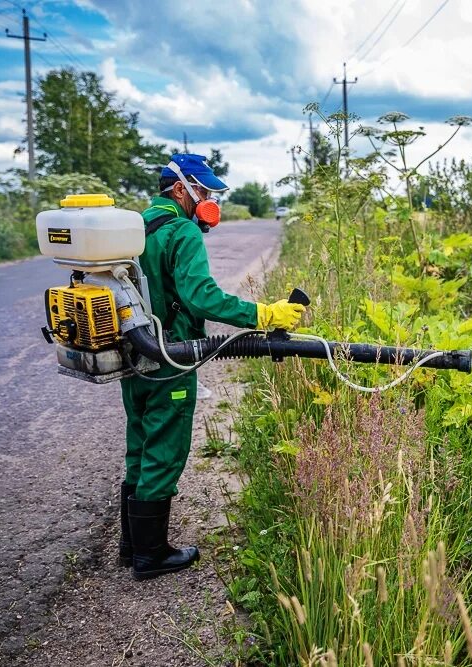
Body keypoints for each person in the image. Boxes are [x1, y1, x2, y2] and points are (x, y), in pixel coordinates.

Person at [118, 153, 304, 581]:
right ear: (181, 190)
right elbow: (201, 297)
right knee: (165, 449)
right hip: (171, 356)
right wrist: (263, 314)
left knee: (140, 442)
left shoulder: (137, 227)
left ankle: (132, 546)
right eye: (203, 190)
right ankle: (151, 556)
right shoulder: (181, 230)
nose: (208, 200)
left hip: (135, 353)